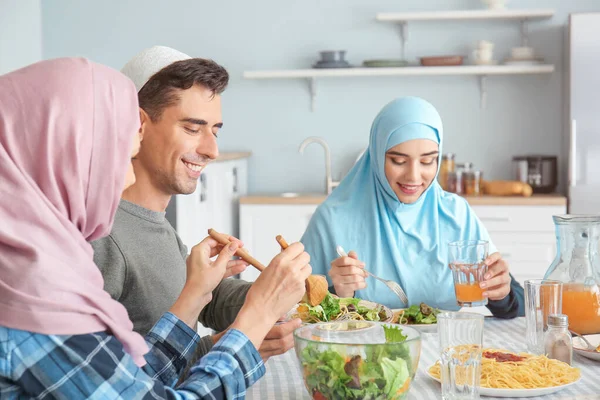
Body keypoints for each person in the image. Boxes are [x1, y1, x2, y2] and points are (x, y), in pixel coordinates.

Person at [0, 57, 311, 397]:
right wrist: (252, 322)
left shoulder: (49, 263)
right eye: (192, 128)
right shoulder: (33, 291)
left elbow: (129, 376)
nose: (211, 149)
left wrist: (203, 296)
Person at [92, 46, 300, 365]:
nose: (212, 150)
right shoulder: (102, 237)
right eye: (192, 128)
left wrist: (273, 295)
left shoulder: (156, 225)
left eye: (214, 131)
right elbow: (106, 380)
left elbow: (200, 302)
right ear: (137, 125)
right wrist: (220, 348)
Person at [300, 96, 524, 318]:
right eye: (398, 161)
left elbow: (519, 307)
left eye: (427, 161)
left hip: (446, 349)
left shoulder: (456, 214)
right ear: (377, 157)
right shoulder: (332, 219)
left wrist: (501, 294)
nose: (414, 176)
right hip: (365, 351)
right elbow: (298, 314)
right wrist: (339, 293)